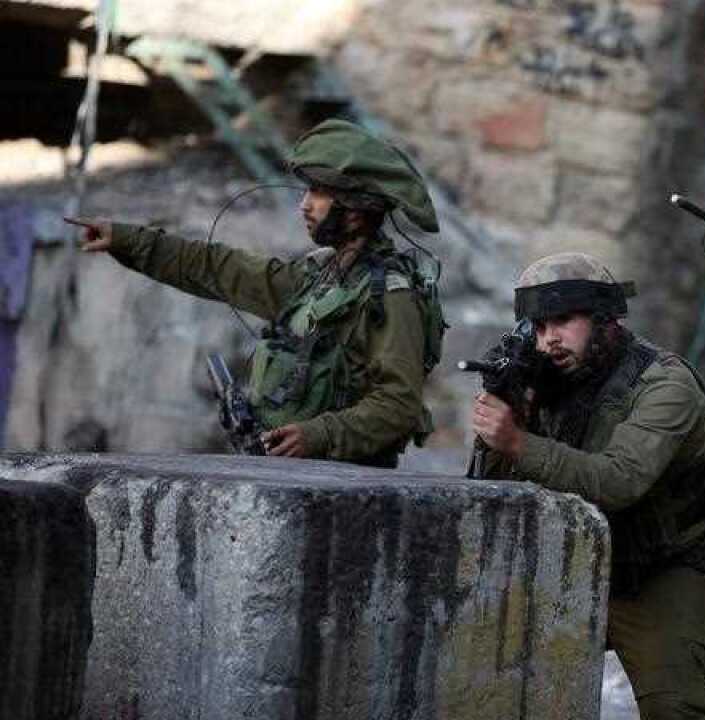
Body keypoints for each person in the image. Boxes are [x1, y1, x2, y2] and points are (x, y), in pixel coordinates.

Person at [66, 119, 445, 467]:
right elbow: (218, 268)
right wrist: (129, 240)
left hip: (349, 486)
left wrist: (318, 435)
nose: (305, 204)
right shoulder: (316, 277)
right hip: (295, 475)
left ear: (356, 211)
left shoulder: (392, 296)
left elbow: (399, 406)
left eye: (319, 193)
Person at [470, 252, 705, 720]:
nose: (549, 339)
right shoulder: (548, 379)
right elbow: (490, 495)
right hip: (574, 563)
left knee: (676, 709)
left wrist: (518, 441)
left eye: (563, 320)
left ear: (604, 320)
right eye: (538, 328)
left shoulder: (664, 385)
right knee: (496, 690)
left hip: (665, 567)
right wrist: (512, 410)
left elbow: (619, 481)